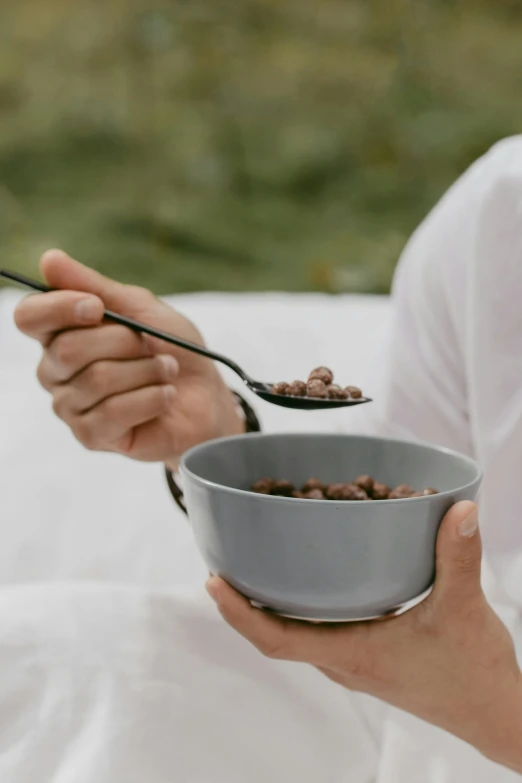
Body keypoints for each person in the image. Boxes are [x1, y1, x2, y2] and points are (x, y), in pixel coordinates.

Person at [13, 136, 522, 775]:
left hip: (472, 721)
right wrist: (221, 446)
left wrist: (489, 704)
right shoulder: (496, 216)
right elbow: (391, 515)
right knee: (66, 652)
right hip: (415, 711)